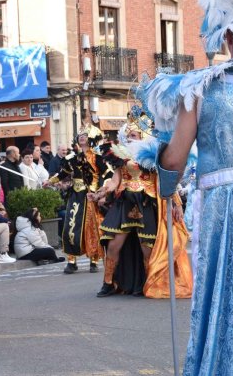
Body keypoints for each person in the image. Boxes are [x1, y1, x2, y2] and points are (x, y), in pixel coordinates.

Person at [152, 0, 233, 372]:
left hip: (226, 210)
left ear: (227, 34)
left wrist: (164, 178)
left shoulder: (201, 87)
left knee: (227, 293)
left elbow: (175, 158)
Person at [93, 121, 192, 298]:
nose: (132, 139)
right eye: (129, 136)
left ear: (141, 137)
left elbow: (164, 181)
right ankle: (108, 283)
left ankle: (148, 282)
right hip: (125, 203)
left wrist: (176, 204)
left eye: (135, 136)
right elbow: (115, 180)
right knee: (114, 244)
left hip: (145, 202)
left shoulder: (151, 154)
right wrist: (102, 191)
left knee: (147, 246)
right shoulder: (119, 155)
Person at [46, 125, 111, 274]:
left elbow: (108, 175)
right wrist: (50, 181)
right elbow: (63, 174)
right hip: (75, 196)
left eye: (85, 135)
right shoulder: (72, 158)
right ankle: (71, 261)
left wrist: (102, 192)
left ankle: (94, 260)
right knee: (71, 226)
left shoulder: (97, 157)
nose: (82, 136)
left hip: (90, 196)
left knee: (91, 228)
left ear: (91, 139)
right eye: (80, 135)